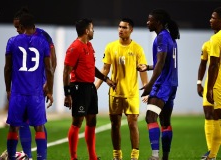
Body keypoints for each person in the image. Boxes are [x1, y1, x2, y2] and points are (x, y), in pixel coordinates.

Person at [95, 18, 148, 160]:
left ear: (131, 30)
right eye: (119, 27)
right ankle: (117, 155)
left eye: (124, 27)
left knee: (132, 124)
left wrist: (147, 89)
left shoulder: (137, 48)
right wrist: (95, 86)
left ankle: (134, 156)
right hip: (115, 93)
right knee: (115, 125)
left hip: (131, 94)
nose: (120, 30)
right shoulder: (111, 47)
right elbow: (105, 69)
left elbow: (142, 69)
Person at [63, 18, 115, 160]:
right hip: (78, 88)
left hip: (90, 88)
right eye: (92, 28)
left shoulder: (89, 46)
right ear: (87, 30)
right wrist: (67, 94)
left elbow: (92, 68)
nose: (93, 31)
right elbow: (66, 71)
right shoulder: (75, 47)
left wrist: (106, 79)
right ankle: (73, 157)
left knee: (92, 121)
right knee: (77, 122)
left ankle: (93, 157)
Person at [4, 13, 54, 160]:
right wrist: (50, 90)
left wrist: (8, 89)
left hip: (18, 93)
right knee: (39, 127)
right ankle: (41, 158)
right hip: (36, 94)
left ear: (21, 26)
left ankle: (12, 157)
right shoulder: (43, 42)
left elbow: (7, 68)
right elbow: (49, 69)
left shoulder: (12, 42)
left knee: (14, 127)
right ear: (34, 26)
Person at [137, 9, 180, 160]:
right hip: (172, 84)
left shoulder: (161, 37)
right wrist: (148, 67)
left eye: (150, 20)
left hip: (162, 85)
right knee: (165, 122)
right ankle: (165, 157)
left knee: (150, 117)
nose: (147, 22)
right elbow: (164, 62)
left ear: (158, 22)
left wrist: (149, 85)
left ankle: (155, 156)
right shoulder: (170, 37)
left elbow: (161, 63)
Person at [197, 38, 216, 160]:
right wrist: (199, 82)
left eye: (213, 18)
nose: (210, 20)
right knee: (208, 114)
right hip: (210, 84)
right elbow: (203, 64)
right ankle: (211, 151)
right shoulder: (207, 45)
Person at [206, 7, 221, 160]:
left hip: (220, 84)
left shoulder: (216, 39)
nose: (210, 20)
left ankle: (213, 155)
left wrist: (209, 87)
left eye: (213, 17)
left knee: (217, 117)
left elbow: (213, 64)